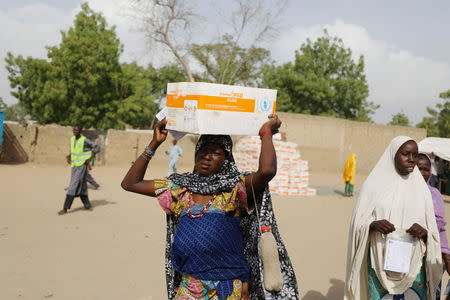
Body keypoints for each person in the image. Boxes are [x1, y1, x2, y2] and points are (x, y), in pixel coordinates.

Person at [121, 115, 298, 299]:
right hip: (190, 286)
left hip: (228, 287)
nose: (207, 156)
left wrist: (266, 133)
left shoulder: (235, 188)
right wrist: (154, 143)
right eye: (203, 150)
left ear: (227, 158)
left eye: (216, 152)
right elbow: (130, 183)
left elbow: (267, 171)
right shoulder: (180, 188)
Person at [344, 136, 442, 300]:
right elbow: (357, 223)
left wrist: (424, 233)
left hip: (414, 265)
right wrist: (373, 224)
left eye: (415, 155)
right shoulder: (374, 186)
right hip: (379, 262)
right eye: (406, 154)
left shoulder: (422, 190)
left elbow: (432, 232)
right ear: (393, 154)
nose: (412, 160)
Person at [417, 153, 450, 299]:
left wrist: (447, 257)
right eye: (419, 169)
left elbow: (440, 229)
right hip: (411, 257)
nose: (423, 173)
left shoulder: (435, 194)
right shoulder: (402, 193)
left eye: (426, 169)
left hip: (433, 255)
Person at [59, 125, 100, 215]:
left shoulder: (84, 140)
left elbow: (96, 147)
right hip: (74, 165)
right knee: (82, 185)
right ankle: (87, 205)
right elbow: (73, 150)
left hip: (82, 166)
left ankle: (65, 208)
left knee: (73, 185)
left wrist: (90, 159)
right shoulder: (72, 139)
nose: (75, 131)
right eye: (74, 130)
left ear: (80, 131)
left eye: (77, 130)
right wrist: (69, 156)